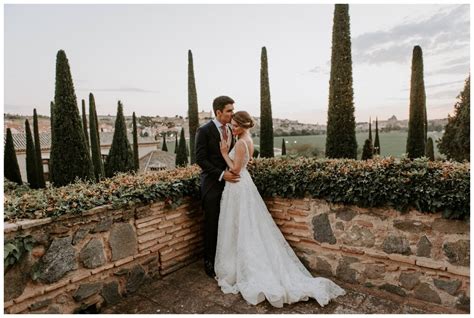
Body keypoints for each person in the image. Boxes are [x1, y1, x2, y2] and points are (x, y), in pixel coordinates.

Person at [214, 111, 346, 308]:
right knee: (246, 225)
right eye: (232, 124)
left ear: (243, 125)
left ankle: (242, 268)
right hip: (244, 186)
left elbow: (235, 170)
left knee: (241, 225)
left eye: (235, 125)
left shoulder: (241, 142)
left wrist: (224, 153)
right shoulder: (247, 139)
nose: (233, 128)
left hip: (238, 186)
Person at [195, 95, 240, 277]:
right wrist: (222, 175)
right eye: (229, 110)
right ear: (219, 112)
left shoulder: (231, 129)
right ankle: (209, 262)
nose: (232, 114)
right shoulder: (204, 131)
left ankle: (226, 259)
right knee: (212, 224)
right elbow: (200, 159)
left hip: (231, 186)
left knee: (228, 223)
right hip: (212, 184)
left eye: (232, 110)